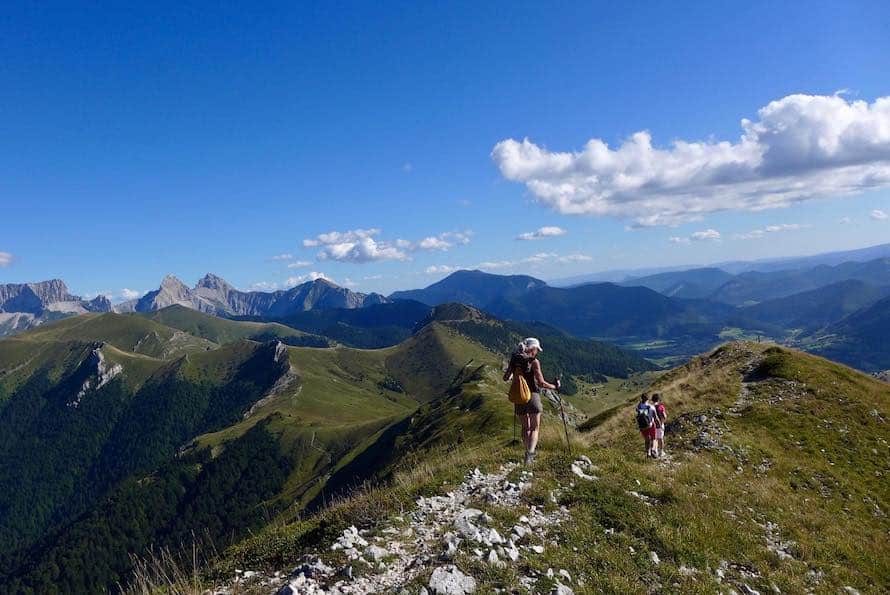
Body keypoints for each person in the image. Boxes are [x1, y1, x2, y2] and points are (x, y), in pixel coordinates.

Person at [503, 337, 560, 465]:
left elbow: (505, 378)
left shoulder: (514, 360)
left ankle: (526, 452)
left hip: (519, 397)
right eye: (536, 350)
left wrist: (515, 374)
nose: (537, 352)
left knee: (525, 427)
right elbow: (541, 383)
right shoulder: (534, 361)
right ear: (532, 348)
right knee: (535, 427)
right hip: (532, 395)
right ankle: (530, 454)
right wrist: (555, 387)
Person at [635, 393, 657, 458]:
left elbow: (638, 414)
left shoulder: (639, 407)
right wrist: (658, 424)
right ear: (648, 399)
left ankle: (648, 453)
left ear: (641, 399)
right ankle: (653, 449)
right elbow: (655, 417)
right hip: (651, 424)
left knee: (647, 440)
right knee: (653, 438)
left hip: (642, 426)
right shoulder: (651, 407)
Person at [651, 393, 667, 458]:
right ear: (658, 399)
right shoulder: (661, 406)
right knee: (660, 439)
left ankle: (655, 452)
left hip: (653, 426)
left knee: (655, 439)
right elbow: (664, 416)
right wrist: (662, 422)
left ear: (652, 400)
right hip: (660, 425)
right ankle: (661, 452)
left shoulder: (651, 407)